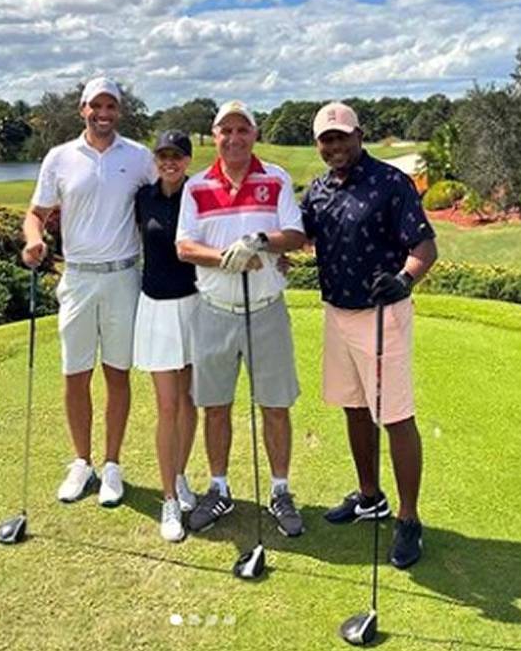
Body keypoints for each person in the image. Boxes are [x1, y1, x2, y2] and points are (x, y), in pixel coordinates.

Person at [300, 101, 438, 568]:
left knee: (395, 415)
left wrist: (405, 278)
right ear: (319, 144)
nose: (334, 146)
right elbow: (298, 236)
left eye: (341, 136)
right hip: (337, 311)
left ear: (359, 136)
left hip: (383, 314)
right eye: (326, 139)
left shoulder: (389, 183)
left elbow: (425, 245)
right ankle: (369, 496)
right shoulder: (317, 189)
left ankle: (409, 518)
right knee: (355, 407)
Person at [22, 76, 156, 507]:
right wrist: (33, 239)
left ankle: (113, 465)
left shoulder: (138, 157)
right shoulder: (60, 158)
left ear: (119, 110)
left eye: (110, 106)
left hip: (122, 277)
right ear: (82, 109)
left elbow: (169, 199)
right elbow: (36, 213)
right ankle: (82, 463)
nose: (103, 114)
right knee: (75, 374)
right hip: (77, 277)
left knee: (117, 373)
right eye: (95, 106)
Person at [175, 100, 307, 537]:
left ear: (254, 133)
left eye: (242, 130)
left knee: (274, 406)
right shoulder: (196, 187)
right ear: (214, 137)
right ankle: (219, 488)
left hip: (266, 310)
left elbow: (296, 233)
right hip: (214, 312)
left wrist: (259, 241)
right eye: (224, 131)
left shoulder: (276, 178)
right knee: (216, 407)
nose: (234, 139)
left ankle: (280, 490)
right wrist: (227, 258)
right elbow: (185, 247)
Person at [133, 130, 201, 542]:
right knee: (168, 406)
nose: (169, 162)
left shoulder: (198, 195)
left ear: (188, 160)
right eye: (163, 156)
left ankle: (179, 476)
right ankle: (169, 501)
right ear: (155, 160)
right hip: (156, 309)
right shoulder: (143, 197)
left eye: (177, 156)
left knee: (190, 401)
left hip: (194, 305)